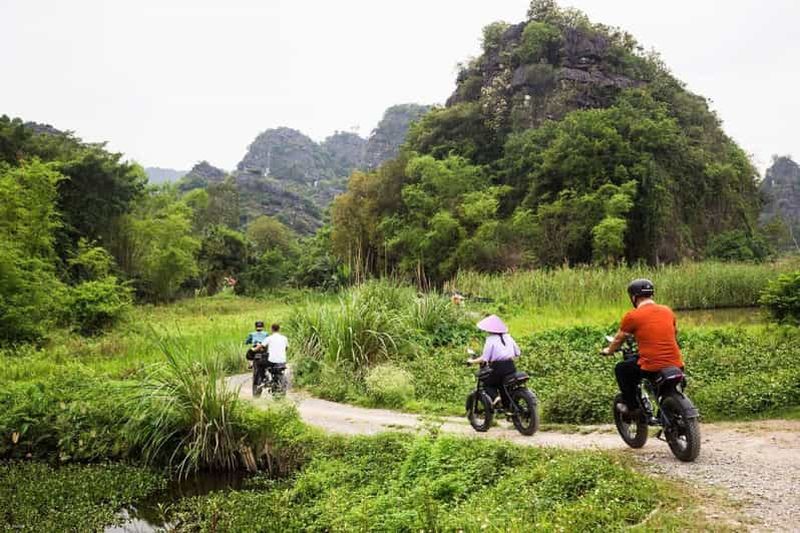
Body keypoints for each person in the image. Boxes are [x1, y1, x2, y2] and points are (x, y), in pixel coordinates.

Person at [602, 279, 685, 417]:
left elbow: (618, 339)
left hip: (651, 367)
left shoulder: (633, 316)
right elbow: (674, 332)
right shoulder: (667, 311)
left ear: (634, 297)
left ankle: (632, 407)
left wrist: (608, 350)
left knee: (621, 368)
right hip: (677, 364)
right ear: (651, 294)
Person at [467, 314, 521, 406]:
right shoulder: (508, 337)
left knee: (488, 385)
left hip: (497, 367)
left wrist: (471, 361)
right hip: (511, 366)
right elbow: (518, 352)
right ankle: (508, 406)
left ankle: (496, 398)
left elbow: (485, 358)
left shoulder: (490, 340)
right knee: (503, 385)